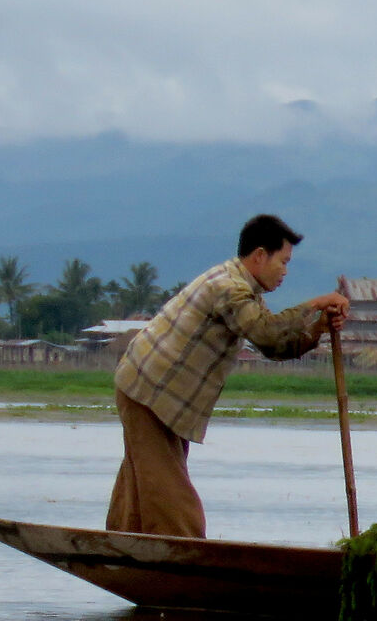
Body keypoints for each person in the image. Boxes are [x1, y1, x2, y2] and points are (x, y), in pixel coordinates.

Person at [106, 214, 350, 537]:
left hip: (164, 398)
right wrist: (316, 303)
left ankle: (123, 544)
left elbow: (275, 346)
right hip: (149, 390)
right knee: (168, 491)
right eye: (283, 262)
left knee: (144, 480)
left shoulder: (247, 293)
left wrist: (318, 326)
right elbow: (265, 332)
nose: (285, 272)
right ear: (260, 255)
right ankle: (186, 555)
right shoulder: (229, 287)